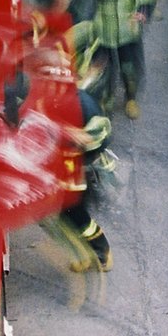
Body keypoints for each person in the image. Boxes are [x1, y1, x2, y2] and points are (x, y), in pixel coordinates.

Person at [58, 0, 155, 119]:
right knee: (103, 69)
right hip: (102, 29)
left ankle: (131, 97)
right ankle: (105, 101)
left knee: (129, 67)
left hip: (127, 27)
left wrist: (143, 9)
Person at [55, 88, 115, 272]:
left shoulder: (84, 106)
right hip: (65, 172)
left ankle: (101, 251)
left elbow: (98, 139)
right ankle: (83, 255)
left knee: (77, 217)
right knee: (66, 216)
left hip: (79, 173)